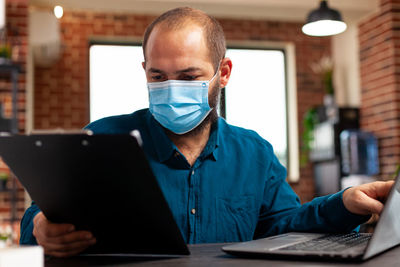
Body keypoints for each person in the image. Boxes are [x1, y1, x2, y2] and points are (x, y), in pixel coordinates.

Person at [20, 7, 394, 258]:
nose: (170, 87)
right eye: (157, 76)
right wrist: (40, 227)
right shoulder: (101, 141)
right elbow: (40, 216)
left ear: (224, 73)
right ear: (144, 71)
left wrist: (343, 204)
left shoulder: (254, 152)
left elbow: (283, 227)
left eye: (188, 76)